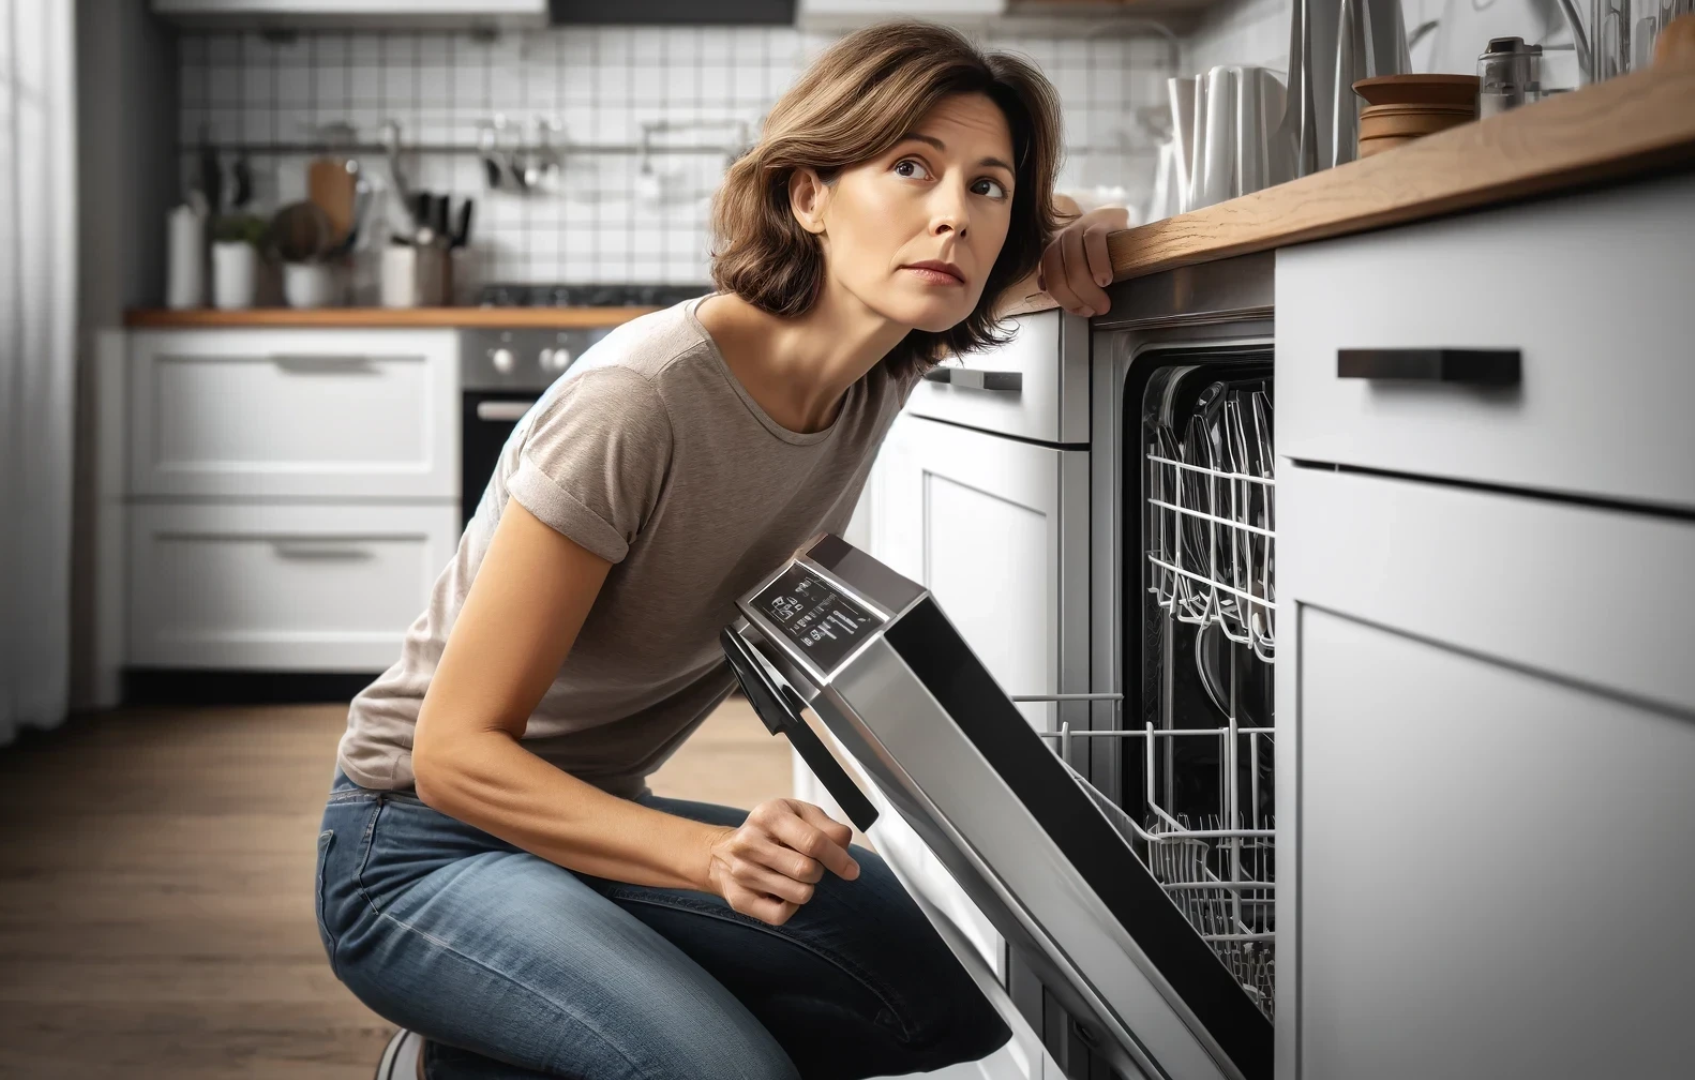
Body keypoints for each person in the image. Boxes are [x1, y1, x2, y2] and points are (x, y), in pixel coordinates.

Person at [314, 19, 1123, 1080]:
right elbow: (453, 755)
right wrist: (710, 856)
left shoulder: (881, 357)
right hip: (416, 844)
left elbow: (1050, 230)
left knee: (944, 1011)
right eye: (910, 167)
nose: (950, 215)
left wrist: (1085, 223)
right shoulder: (641, 404)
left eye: (987, 186)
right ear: (808, 197)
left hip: (591, 819)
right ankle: (482, 1019)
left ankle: (513, 1034)